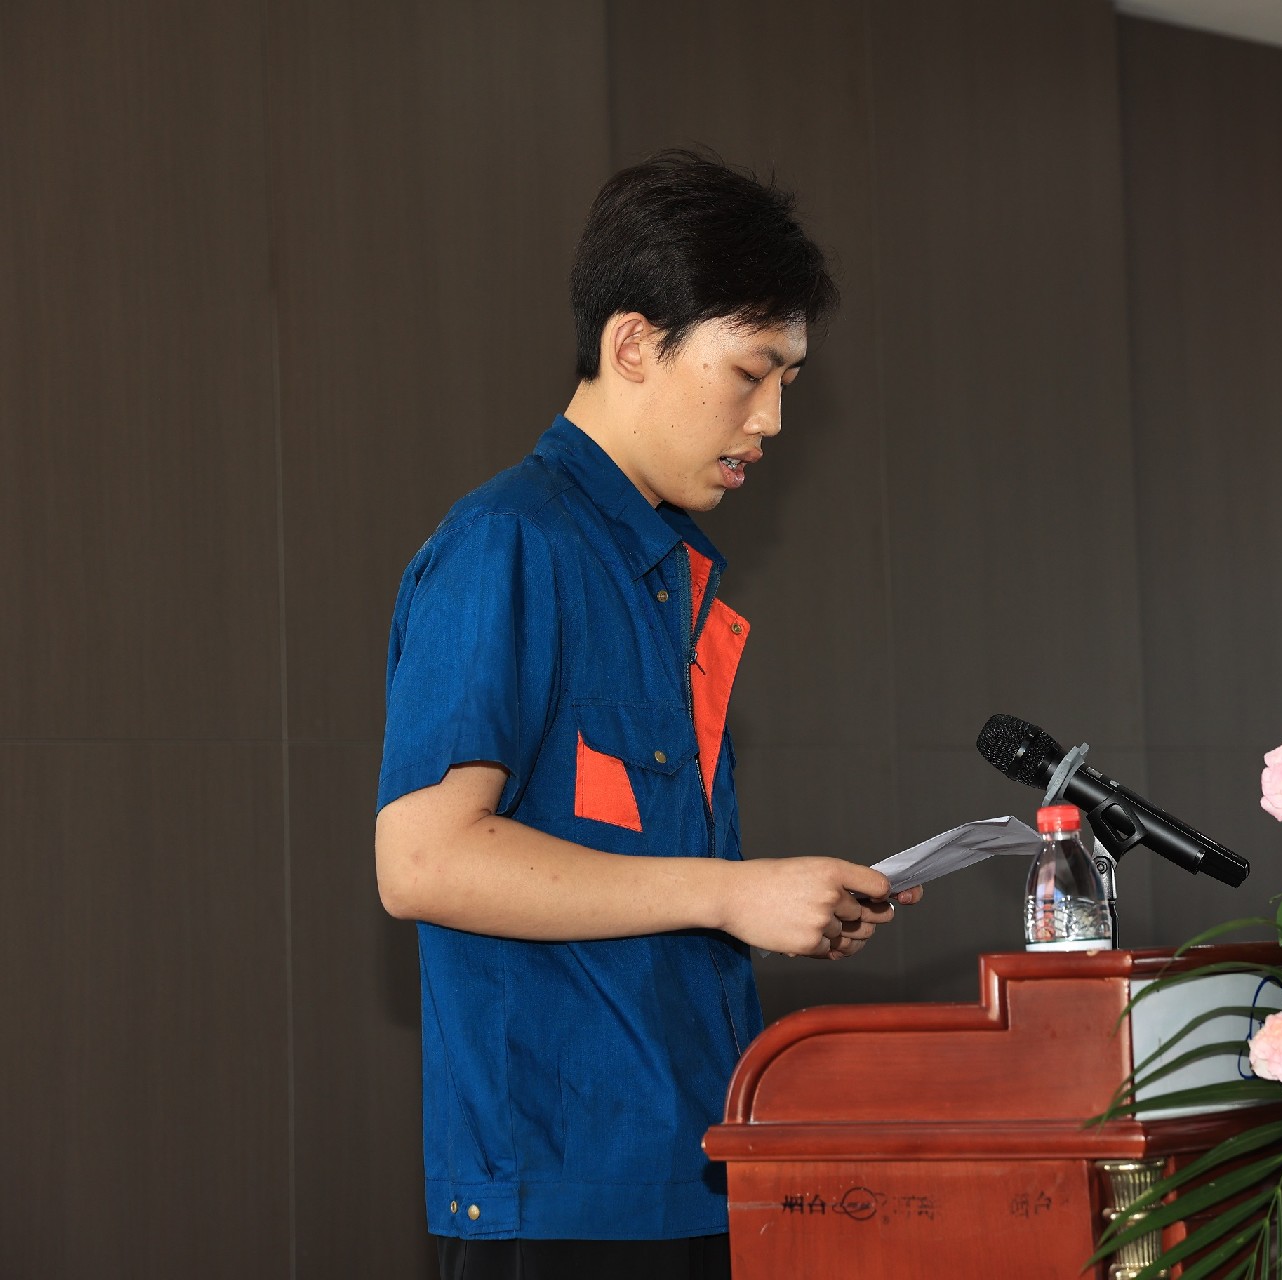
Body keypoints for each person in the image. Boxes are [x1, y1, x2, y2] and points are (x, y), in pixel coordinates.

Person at [374, 151, 919, 1279]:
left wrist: (768, 902)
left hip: (695, 1164)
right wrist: (732, 892)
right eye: (751, 371)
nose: (772, 417)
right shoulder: (510, 541)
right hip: (561, 1197)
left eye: (789, 380)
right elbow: (422, 859)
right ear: (633, 344)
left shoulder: (666, 572)